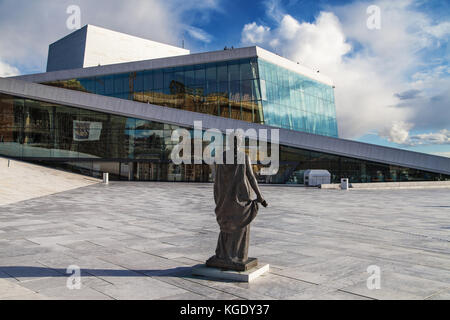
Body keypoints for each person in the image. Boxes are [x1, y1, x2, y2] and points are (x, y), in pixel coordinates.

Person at [206, 134, 268, 271]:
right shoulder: (243, 157)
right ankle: (237, 256)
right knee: (241, 227)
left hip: (225, 200)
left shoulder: (221, 157)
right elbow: (251, 178)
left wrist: (218, 199)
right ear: (238, 143)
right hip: (241, 199)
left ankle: (223, 255)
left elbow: (217, 181)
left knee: (226, 226)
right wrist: (260, 197)